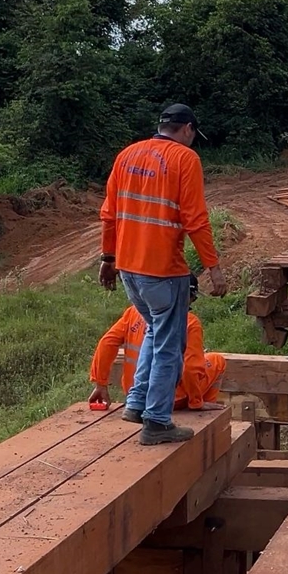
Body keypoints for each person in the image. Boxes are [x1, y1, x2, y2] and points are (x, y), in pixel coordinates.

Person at [98, 103, 227, 446]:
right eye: (193, 136)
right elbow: (196, 219)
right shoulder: (185, 160)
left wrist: (107, 259)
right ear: (187, 129)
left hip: (129, 271)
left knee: (156, 331)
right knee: (170, 345)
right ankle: (156, 421)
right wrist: (214, 269)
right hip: (163, 272)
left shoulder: (127, 155)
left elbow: (108, 214)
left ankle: (137, 403)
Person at [88, 274, 227, 413]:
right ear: (186, 296)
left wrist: (100, 384)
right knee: (217, 360)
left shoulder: (134, 313)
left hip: (135, 395)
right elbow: (190, 369)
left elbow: (106, 343)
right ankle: (200, 406)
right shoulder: (189, 322)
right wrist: (196, 401)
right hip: (170, 399)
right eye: (193, 298)